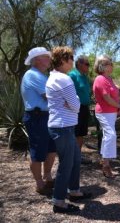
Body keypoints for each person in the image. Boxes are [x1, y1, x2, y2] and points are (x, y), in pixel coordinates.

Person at [46, 46, 91, 213]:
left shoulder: (54, 77)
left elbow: (72, 104)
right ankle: (58, 201)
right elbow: (77, 106)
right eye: (70, 58)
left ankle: (74, 191)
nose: (73, 61)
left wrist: (72, 103)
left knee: (76, 159)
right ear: (63, 60)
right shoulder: (64, 80)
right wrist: (75, 101)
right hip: (63, 127)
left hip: (63, 127)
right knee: (66, 164)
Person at [21, 47, 56, 195]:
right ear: (36, 60)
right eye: (45, 57)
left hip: (46, 116)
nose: (49, 59)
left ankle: (47, 177)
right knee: (37, 151)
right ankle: (39, 183)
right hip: (37, 117)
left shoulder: (41, 75)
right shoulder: (33, 75)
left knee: (51, 149)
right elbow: (49, 95)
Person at [93, 55, 120, 178]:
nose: (112, 65)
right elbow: (107, 98)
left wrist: (118, 105)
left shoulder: (108, 78)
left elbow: (113, 95)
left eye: (111, 63)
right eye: (109, 63)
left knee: (107, 136)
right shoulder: (100, 79)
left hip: (111, 112)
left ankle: (105, 161)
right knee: (111, 135)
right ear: (102, 66)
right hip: (104, 112)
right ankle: (106, 165)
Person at [68, 55, 91, 163]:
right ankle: (72, 157)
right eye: (87, 64)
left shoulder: (84, 76)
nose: (88, 66)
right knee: (75, 133)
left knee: (81, 134)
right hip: (76, 109)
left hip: (84, 108)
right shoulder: (72, 75)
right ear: (79, 64)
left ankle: (78, 156)